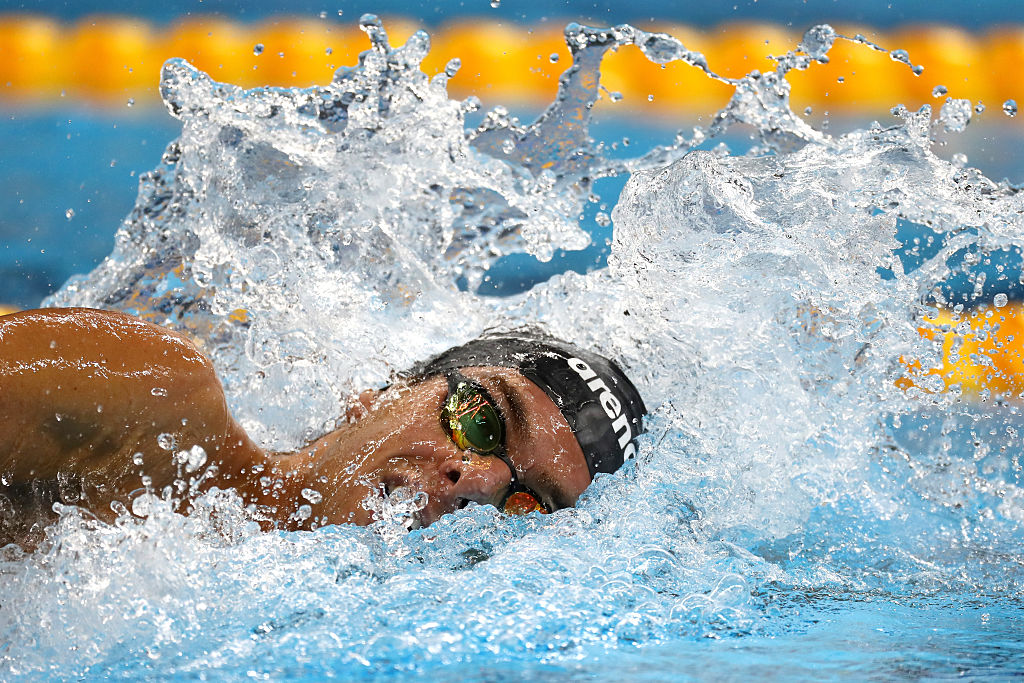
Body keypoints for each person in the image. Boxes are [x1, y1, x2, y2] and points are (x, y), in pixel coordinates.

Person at [0, 307, 645, 541]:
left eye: (524, 505)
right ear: (384, 393)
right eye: (480, 421)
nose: (475, 481)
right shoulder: (155, 403)